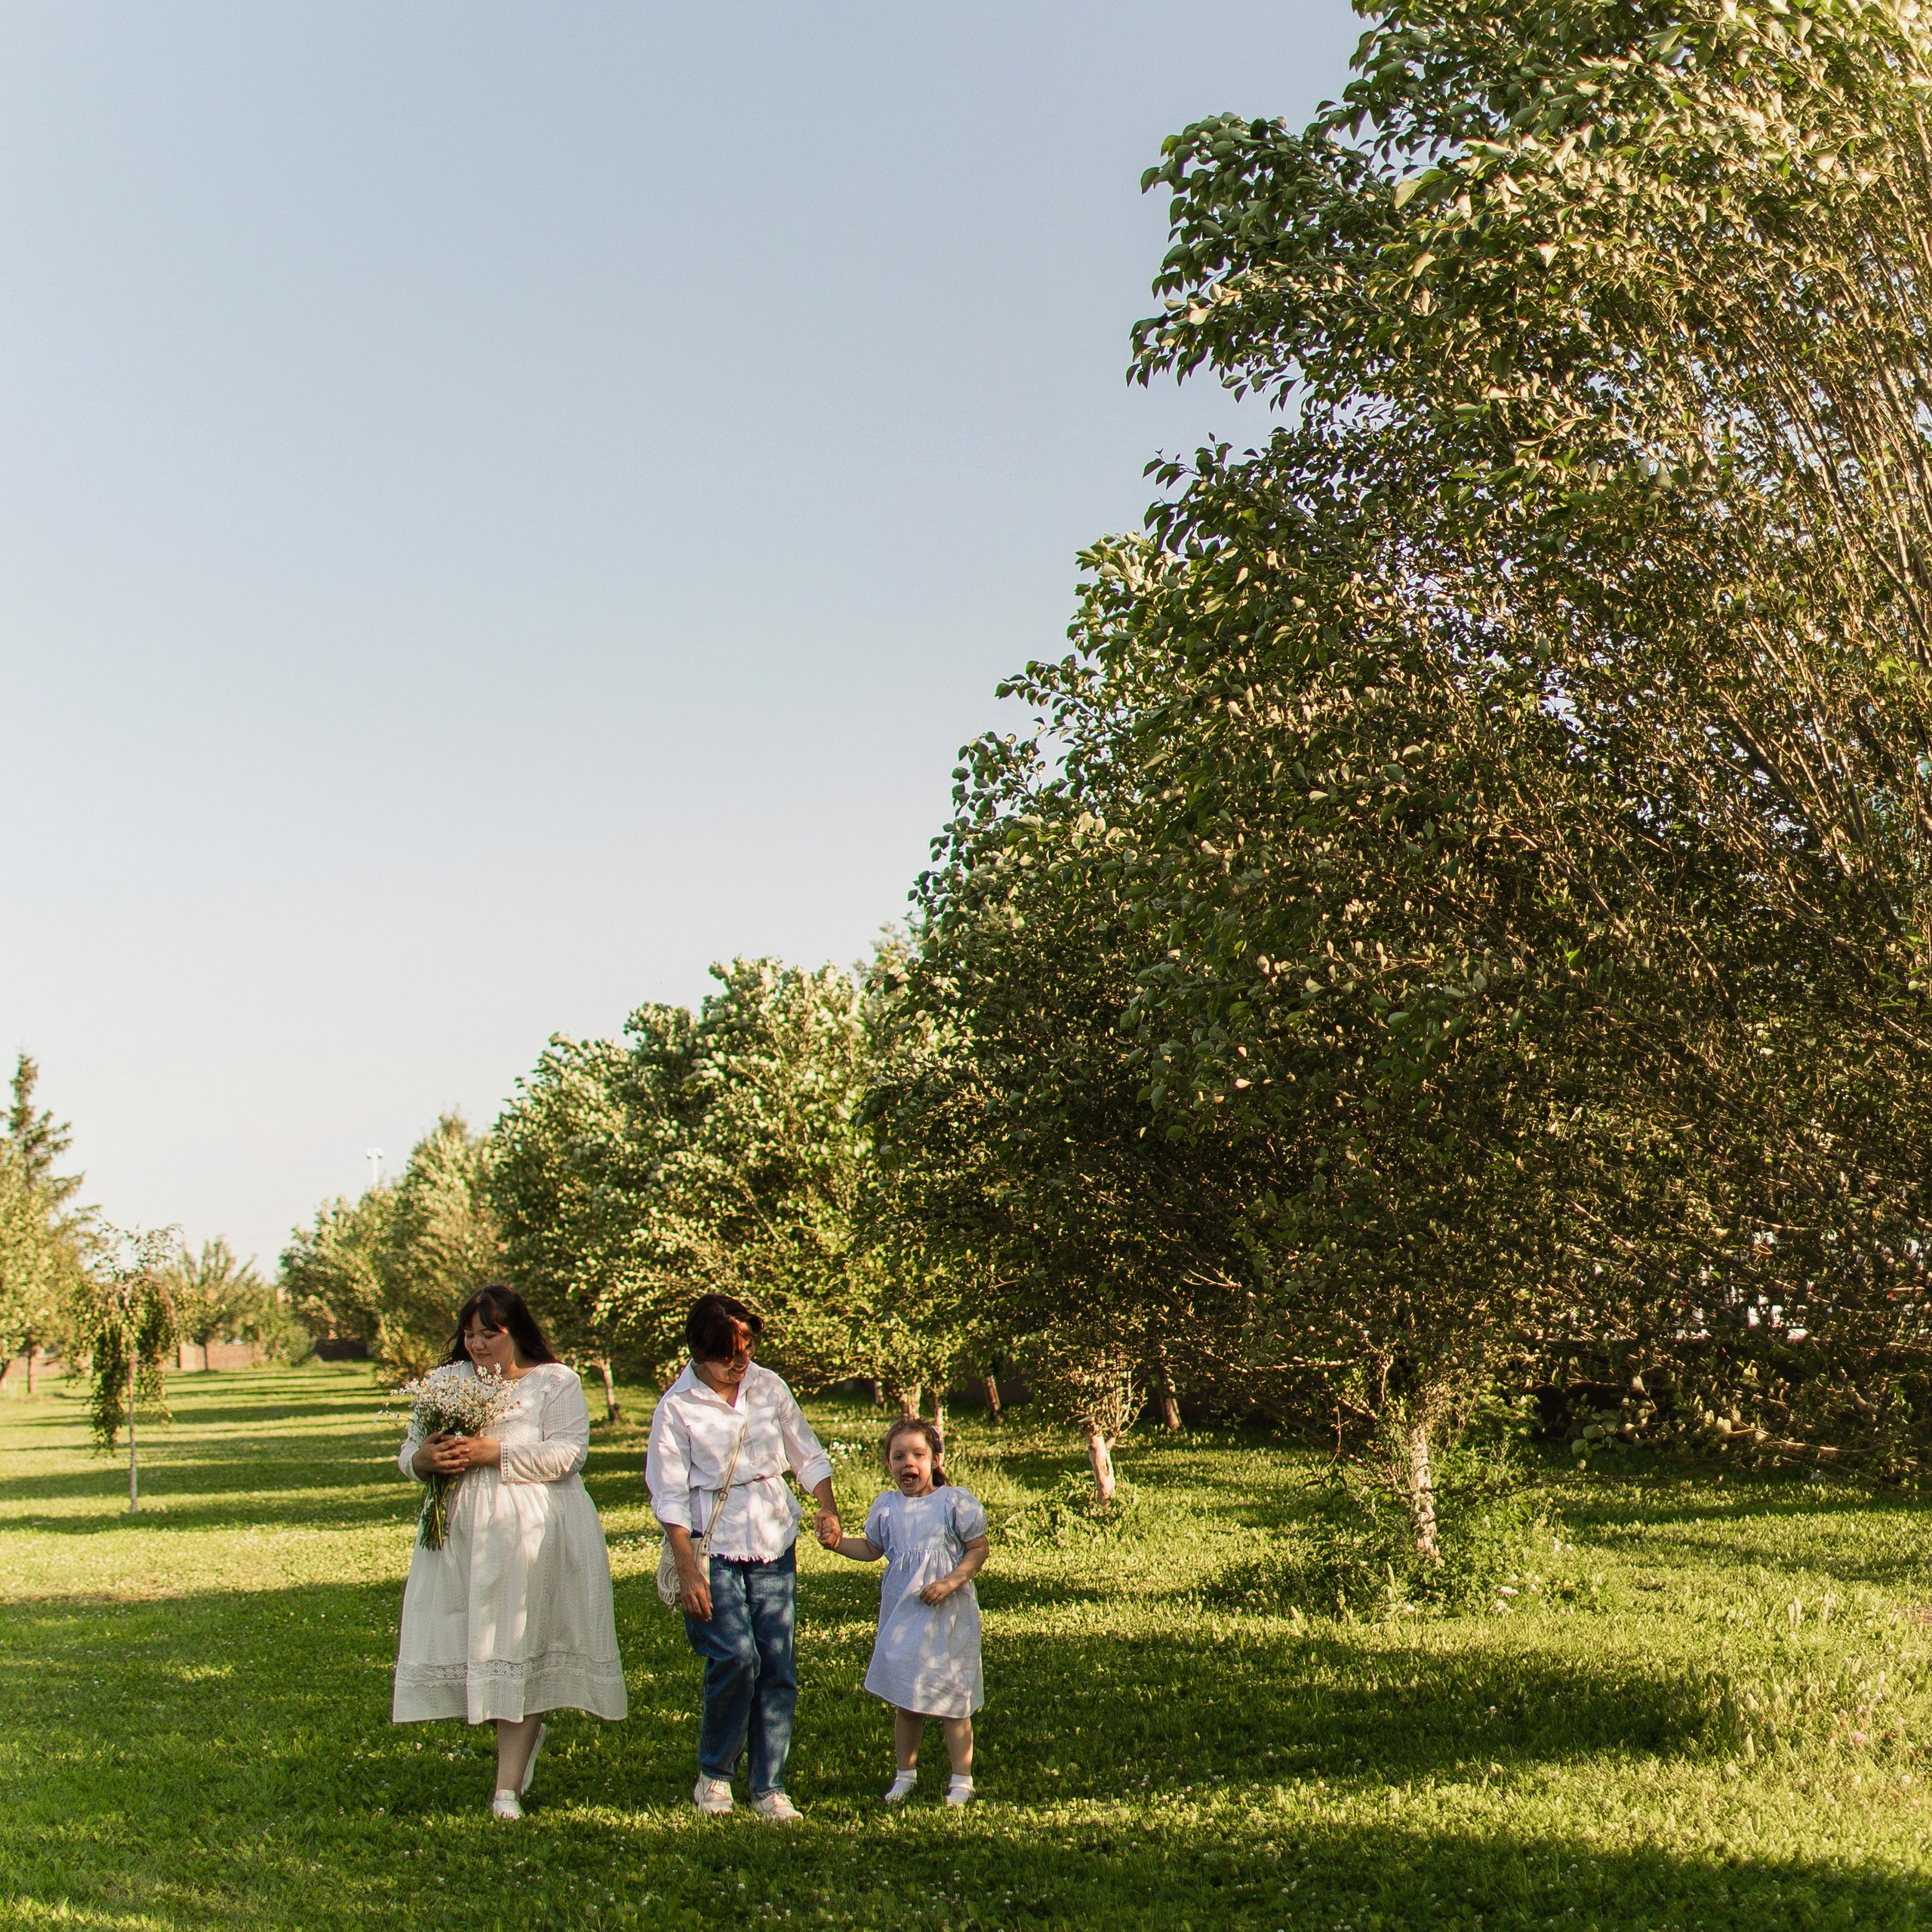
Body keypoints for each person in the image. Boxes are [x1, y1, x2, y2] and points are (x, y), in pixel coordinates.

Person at [393, 1284, 627, 1820]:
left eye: (489, 1334)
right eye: (470, 1334)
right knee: (482, 1641)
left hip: (536, 1528)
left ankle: (505, 1790)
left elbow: (569, 1454)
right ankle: (515, 1757)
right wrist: (426, 1460)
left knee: (525, 1640)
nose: (477, 1345)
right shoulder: (445, 1382)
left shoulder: (555, 1381)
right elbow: (408, 1452)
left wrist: (490, 1452)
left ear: (515, 1331)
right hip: (464, 1532)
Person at [645, 1293, 840, 1820]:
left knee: (776, 1662)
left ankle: (769, 1787)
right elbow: (668, 1494)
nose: (739, 1361)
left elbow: (806, 1450)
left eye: (747, 1347)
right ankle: (714, 1776)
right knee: (736, 1656)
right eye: (727, 1353)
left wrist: (826, 1507)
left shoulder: (767, 1385)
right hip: (713, 1544)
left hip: (773, 1535)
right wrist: (689, 1568)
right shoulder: (678, 1407)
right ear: (697, 1351)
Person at [821, 1416, 988, 1807]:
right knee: (907, 1698)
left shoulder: (954, 1502)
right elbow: (871, 1550)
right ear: (889, 1464)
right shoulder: (887, 1506)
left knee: (952, 1698)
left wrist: (951, 1581)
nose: (907, 1463)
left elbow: (978, 1549)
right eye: (899, 1457)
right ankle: (905, 1775)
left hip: (948, 1615)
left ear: (935, 1459)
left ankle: (961, 1780)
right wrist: (837, 1543)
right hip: (905, 1615)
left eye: (918, 1454)